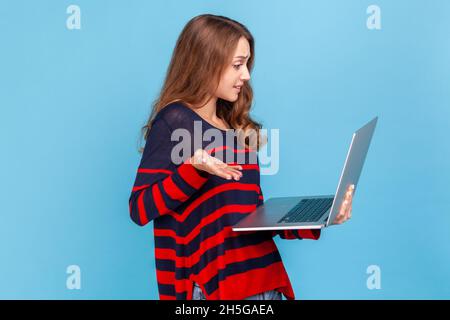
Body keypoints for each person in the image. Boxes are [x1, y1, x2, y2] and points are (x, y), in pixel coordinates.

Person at [128, 14, 353, 300]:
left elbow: (249, 220)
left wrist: (320, 219)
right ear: (205, 63)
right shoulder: (174, 121)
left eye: (246, 64)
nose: (246, 75)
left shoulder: (235, 128)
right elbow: (139, 208)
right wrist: (193, 169)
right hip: (215, 289)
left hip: (266, 283)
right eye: (237, 65)